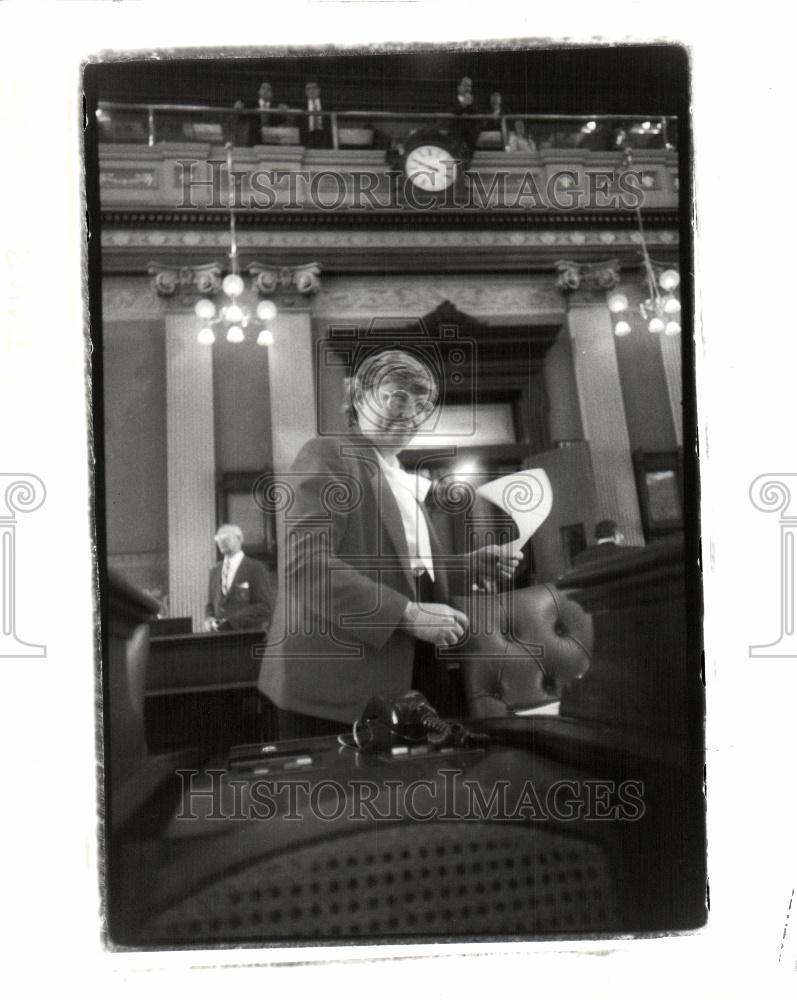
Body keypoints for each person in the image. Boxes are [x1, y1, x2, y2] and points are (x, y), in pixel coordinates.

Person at [258, 349, 521, 738]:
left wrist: (468, 565)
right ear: (358, 396)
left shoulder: (401, 476)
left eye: (421, 405)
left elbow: (406, 569)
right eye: (397, 397)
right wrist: (410, 615)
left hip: (410, 677)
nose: (411, 413)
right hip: (340, 687)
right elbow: (306, 567)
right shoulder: (329, 453)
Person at [204, 524, 272, 632]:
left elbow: (264, 607)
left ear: (240, 539)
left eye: (226, 537)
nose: (222, 541)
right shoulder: (214, 571)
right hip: (217, 640)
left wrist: (230, 622)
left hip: (245, 637)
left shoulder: (255, 568)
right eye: (218, 538)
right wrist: (209, 619)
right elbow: (210, 604)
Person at [572, 519, 642, 567]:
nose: (622, 537)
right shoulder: (632, 552)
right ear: (615, 534)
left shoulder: (580, 558)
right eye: (619, 533)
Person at [301, 80, 329, 148]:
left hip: (324, 136)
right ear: (305, 92)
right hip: (307, 136)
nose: (311, 91)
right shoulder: (301, 106)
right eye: (308, 89)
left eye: (314, 88)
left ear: (319, 90)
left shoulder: (327, 105)